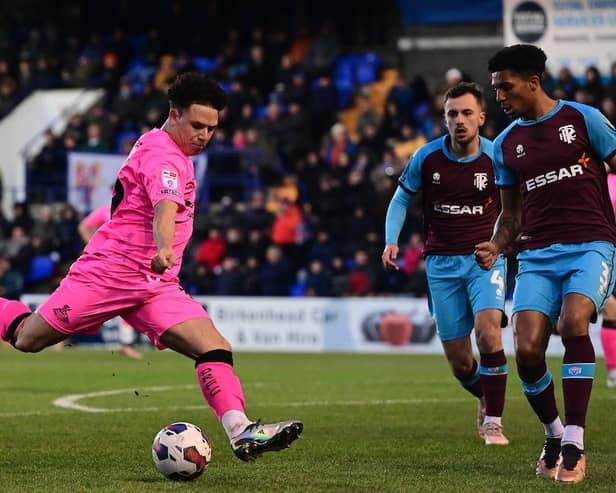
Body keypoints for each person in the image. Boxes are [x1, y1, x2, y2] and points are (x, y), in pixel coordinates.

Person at [0, 72, 303, 461]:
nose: (204, 135)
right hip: (108, 274)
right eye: (197, 125)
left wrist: (162, 262)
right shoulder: (164, 155)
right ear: (173, 114)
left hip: (155, 284)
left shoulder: (166, 149)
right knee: (28, 339)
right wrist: (163, 247)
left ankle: (240, 430)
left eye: (211, 128)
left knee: (214, 348)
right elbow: (165, 206)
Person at [475, 44, 616, 483]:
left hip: (591, 244)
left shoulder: (584, 119)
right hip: (536, 254)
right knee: (529, 348)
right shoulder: (505, 145)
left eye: (505, 86)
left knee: (576, 322)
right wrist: (497, 245)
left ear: (532, 82)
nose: (499, 95)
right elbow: (511, 214)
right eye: (496, 88)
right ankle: (553, 433)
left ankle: (574, 442)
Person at [382, 82, 509, 446]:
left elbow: (516, 207)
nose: (459, 120)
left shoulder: (496, 156)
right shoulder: (427, 157)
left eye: (467, 113)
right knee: (459, 361)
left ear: (482, 118)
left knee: (489, 334)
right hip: (440, 265)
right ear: (444, 119)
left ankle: (494, 422)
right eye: (452, 113)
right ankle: (486, 396)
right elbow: (400, 200)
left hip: (484, 260)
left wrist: (502, 244)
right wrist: (392, 239)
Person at [78, 204, 143, 360]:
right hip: (107, 264)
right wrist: (96, 247)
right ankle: (60, 335)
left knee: (126, 302)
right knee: (85, 299)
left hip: (126, 264)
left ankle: (126, 344)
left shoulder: (136, 210)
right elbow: (83, 227)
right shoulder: (106, 210)